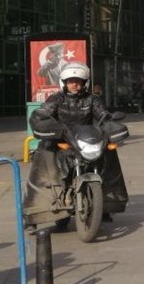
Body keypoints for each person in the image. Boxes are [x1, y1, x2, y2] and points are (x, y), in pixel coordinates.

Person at [24, 62, 128, 227]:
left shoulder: (92, 99)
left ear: (84, 83)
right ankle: (33, 211)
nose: (74, 84)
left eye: (78, 81)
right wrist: (43, 122)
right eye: (71, 81)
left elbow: (103, 116)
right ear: (64, 82)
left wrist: (111, 126)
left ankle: (108, 204)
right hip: (60, 139)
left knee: (108, 152)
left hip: (84, 139)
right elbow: (43, 113)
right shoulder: (56, 99)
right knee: (42, 157)